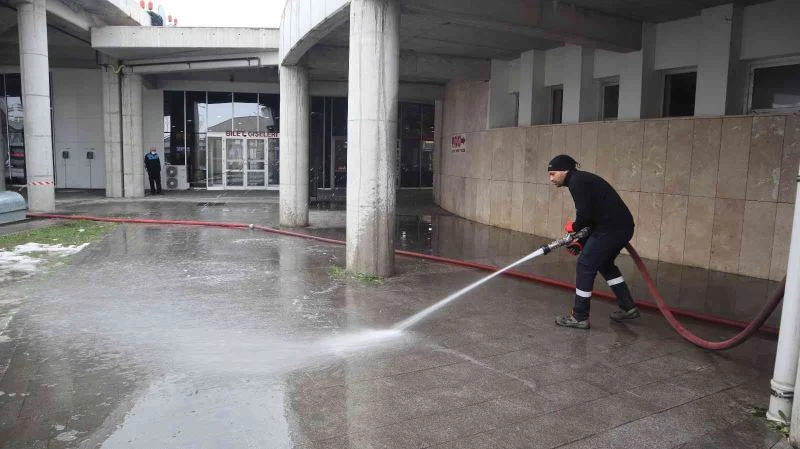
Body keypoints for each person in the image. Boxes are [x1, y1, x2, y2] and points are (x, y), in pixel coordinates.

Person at [547, 154, 639, 329]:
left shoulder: (576, 182)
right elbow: (593, 217)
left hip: (612, 229)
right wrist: (582, 241)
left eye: (553, 173)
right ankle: (628, 307)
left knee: (585, 264)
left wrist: (573, 227)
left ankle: (580, 316)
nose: (551, 178)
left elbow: (585, 215)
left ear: (565, 171)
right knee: (605, 264)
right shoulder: (581, 180)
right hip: (617, 227)